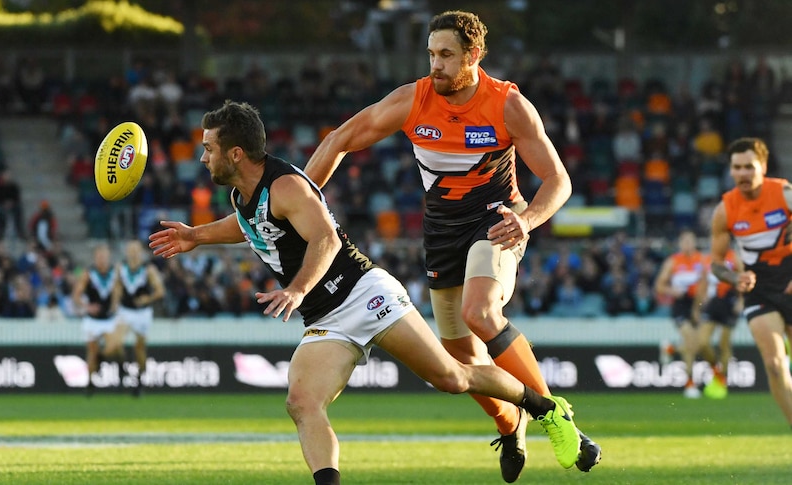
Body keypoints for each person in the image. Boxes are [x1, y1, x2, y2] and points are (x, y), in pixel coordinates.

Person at [149, 100, 585, 485]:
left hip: (363, 295)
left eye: (209, 147)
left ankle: (544, 408)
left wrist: (298, 288)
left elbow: (327, 241)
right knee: (302, 402)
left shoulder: (286, 186)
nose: (202, 156)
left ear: (236, 153)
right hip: (326, 317)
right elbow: (249, 227)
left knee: (453, 377)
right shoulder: (243, 195)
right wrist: (196, 236)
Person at [302, 10, 600, 481]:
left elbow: (558, 180)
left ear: (474, 56)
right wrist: (302, 205)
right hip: (441, 233)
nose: (435, 65)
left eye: (445, 55)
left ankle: (552, 414)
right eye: (430, 54)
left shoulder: (507, 104)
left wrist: (526, 221)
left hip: (496, 222)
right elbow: (339, 140)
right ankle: (511, 423)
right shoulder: (412, 99)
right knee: (460, 362)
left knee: (479, 314)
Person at [709, 137, 792, 427]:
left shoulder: (784, 194)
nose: (743, 173)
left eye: (749, 167)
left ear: (763, 167)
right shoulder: (725, 210)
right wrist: (735, 277)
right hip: (759, 288)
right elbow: (717, 265)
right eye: (737, 168)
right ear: (731, 171)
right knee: (774, 364)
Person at [654, 229, 712, 398]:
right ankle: (690, 384)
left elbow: (704, 284)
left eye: (690, 241)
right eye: (684, 241)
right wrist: (672, 291)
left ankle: (671, 349)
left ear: (695, 243)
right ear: (680, 244)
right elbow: (659, 286)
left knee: (695, 345)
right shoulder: (673, 262)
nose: (687, 244)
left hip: (697, 304)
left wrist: (698, 308)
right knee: (690, 340)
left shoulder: (701, 260)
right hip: (680, 305)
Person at [71, 243, 124, 396]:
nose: (102, 259)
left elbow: (118, 290)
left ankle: (118, 366)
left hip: (109, 319)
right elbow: (76, 295)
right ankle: (90, 382)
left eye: (105, 256)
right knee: (92, 352)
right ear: (95, 258)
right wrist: (87, 306)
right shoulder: (88, 274)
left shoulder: (115, 272)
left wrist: (116, 303)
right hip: (92, 320)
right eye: (99, 256)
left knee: (114, 347)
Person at [115, 239, 166, 397]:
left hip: (142, 312)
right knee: (116, 343)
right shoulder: (120, 268)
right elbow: (116, 287)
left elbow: (160, 291)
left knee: (139, 348)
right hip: (125, 309)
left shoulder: (148, 269)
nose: (133, 253)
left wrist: (147, 299)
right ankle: (121, 368)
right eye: (130, 250)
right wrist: (114, 303)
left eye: (136, 250)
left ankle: (139, 380)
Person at [698, 248, 743, 399]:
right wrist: (701, 299)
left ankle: (720, 380)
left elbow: (744, 277)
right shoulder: (708, 257)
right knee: (703, 342)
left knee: (724, 344)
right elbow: (703, 280)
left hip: (729, 301)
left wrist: (742, 300)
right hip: (713, 302)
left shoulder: (733, 256)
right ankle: (717, 373)